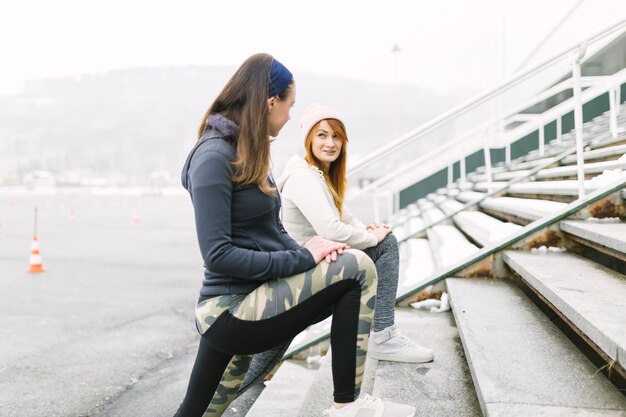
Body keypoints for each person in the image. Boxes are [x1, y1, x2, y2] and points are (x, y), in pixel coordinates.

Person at [174, 54, 415, 417]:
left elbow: (274, 231)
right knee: (358, 269)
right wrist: (303, 257)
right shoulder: (213, 158)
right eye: (289, 106)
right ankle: (347, 406)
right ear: (271, 102)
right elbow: (218, 255)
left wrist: (322, 250)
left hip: (252, 298)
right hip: (228, 312)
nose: (289, 116)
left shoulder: (248, 153)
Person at [277, 103, 434, 363]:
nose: (331, 143)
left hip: (314, 269)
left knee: (256, 370)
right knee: (255, 368)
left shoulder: (320, 176)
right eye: (322, 135)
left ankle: (381, 334)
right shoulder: (304, 178)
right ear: (308, 140)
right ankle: (382, 336)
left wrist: (371, 230)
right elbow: (330, 228)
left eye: (336, 136)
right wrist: (372, 239)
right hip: (302, 278)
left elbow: (346, 218)